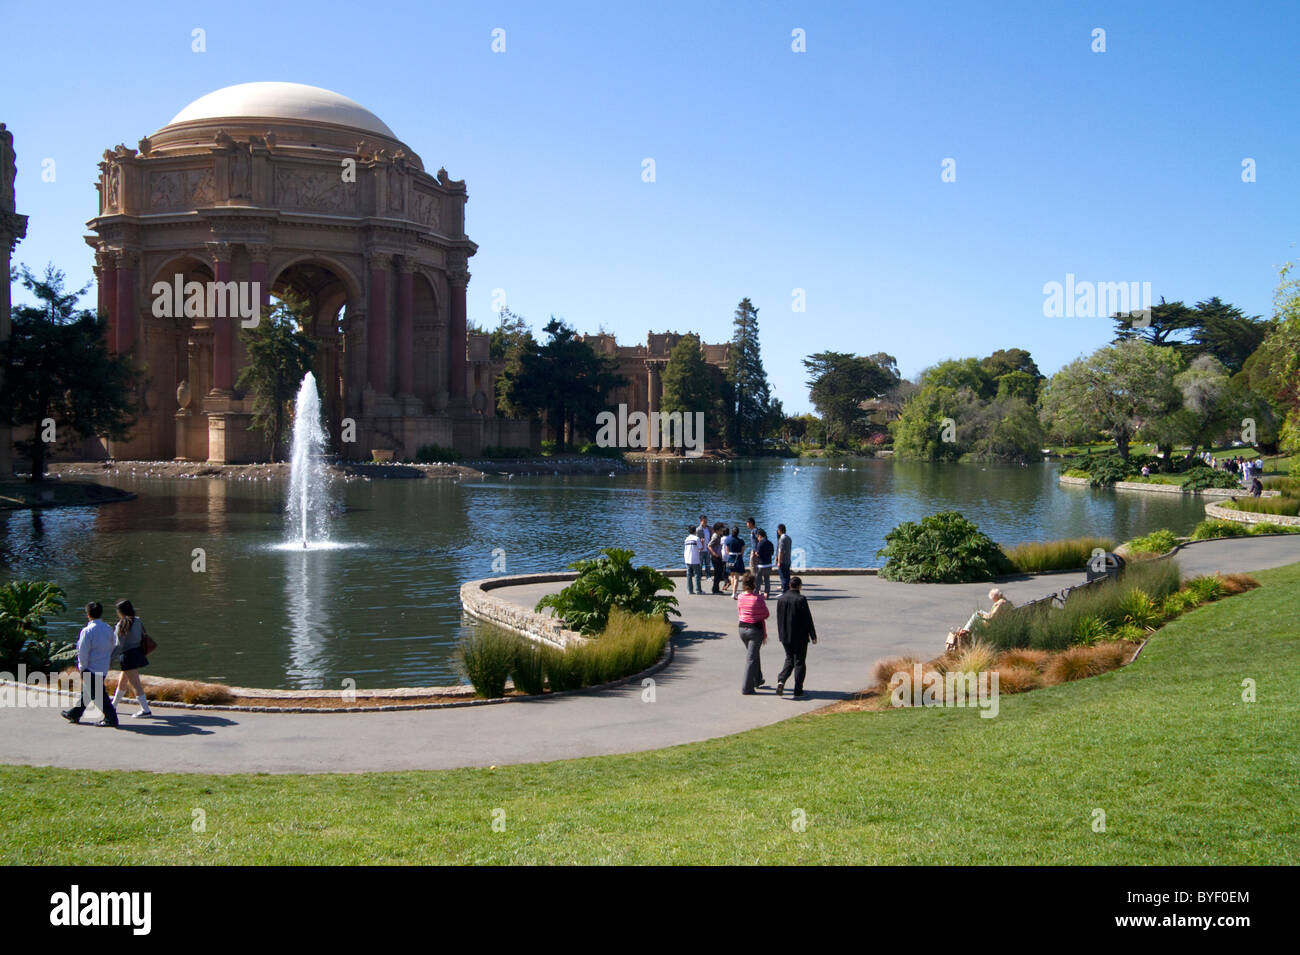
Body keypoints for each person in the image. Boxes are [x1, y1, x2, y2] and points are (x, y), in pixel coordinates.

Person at [62, 602, 118, 727]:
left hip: (90, 668)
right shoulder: (108, 629)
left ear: (88, 614)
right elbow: (113, 645)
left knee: (98, 696)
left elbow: (83, 651)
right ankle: (74, 714)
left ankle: (111, 719)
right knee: (88, 692)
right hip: (102, 667)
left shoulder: (87, 631)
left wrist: (82, 668)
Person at [108, 599, 154, 718]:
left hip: (127, 656)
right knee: (122, 681)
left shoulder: (121, 624)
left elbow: (118, 646)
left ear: (120, 611)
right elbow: (142, 636)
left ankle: (145, 710)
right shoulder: (138, 621)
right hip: (137, 653)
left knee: (136, 684)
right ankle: (113, 705)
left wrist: (110, 659)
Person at [775, 576, 818, 698]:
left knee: (789, 658)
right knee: (799, 661)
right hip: (799, 635)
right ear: (799, 586)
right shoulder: (801, 599)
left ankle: (781, 680)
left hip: (785, 635)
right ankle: (798, 689)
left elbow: (779, 618)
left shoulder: (781, 599)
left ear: (789, 585)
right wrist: (813, 635)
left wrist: (781, 634)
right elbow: (807, 618)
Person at [946, 588, 1013, 652]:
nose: (992, 600)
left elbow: (990, 617)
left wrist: (981, 614)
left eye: (993, 599)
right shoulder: (1008, 602)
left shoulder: (999, 604)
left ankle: (965, 631)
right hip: (1003, 622)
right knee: (977, 614)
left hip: (995, 625)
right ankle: (966, 630)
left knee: (976, 616)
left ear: (995, 597)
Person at [736, 572, 769, 694]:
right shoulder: (758, 599)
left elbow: (741, 611)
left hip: (742, 629)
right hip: (755, 630)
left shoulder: (740, 597)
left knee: (754, 655)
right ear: (754, 584)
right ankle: (747, 688)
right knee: (751, 659)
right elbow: (766, 614)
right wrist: (760, 599)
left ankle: (758, 679)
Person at [725, 526, 746, 600]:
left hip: (730, 558)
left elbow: (727, 550)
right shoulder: (741, 541)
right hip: (738, 559)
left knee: (732, 575)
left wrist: (730, 554)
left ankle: (733, 592)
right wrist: (740, 556)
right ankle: (734, 593)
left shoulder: (728, 539)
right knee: (736, 577)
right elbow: (743, 550)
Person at [754, 528, 775, 597]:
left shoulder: (760, 544)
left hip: (761, 565)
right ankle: (766, 593)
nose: (757, 538)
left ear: (760, 535)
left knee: (758, 580)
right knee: (767, 579)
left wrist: (756, 554)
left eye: (757, 536)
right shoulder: (770, 543)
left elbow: (757, 553)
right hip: (768, 564)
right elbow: (772, 553)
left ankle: (756, 592)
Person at [683, 526, 704, 595]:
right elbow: (700, 548)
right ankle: (698, 590)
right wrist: (702, 542)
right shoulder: (696, 538)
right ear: (695, 531)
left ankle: (690, 590)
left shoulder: (686, 539)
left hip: (687, 559)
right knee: (697, 575)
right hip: (695, 559)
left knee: (689, 575)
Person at [708, 523, 726, 594]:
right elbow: (709, 545)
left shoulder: (719, 536)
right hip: (715, 557)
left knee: (719, 573)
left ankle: (716, 589)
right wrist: (714, 554)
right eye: (721, 530)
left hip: (718, 557)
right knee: (717, 574)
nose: (722, 531)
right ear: (718, 530)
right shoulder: (715, 536)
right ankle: (715, 590)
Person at [776, 524, 793, 592]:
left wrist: (779, 561)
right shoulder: (789, 538)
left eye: (778, 530)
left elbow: (781, 551)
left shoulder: (782, 539)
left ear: (780, 530)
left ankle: (784, 592)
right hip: (788, 560)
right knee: (787, 577)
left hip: (783, 561)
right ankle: (788, 591)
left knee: (783, 577)